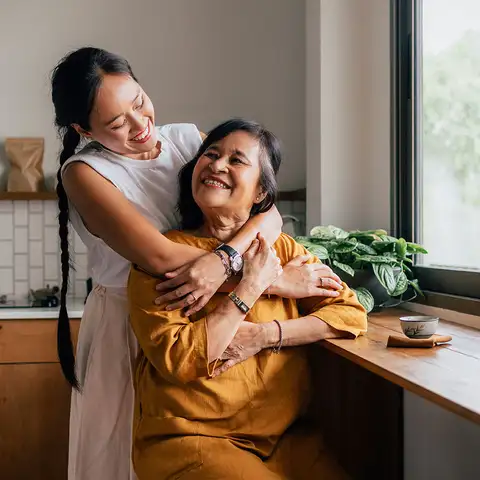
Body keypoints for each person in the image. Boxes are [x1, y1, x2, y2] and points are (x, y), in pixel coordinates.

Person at [51, 48, 344, 480]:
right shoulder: (84, 172)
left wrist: (226, 260)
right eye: (117, 123)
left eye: (138, 101)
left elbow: (268, 211)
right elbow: (158, 257)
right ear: (83, 129)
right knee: (124, 458)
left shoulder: (188, 139)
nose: (140, 124)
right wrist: (270, 281)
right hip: (133, 323)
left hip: (208, 317)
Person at [128, 119, 368, 480]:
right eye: (210, 154)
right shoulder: (163, 258)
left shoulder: (281, 248)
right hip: (191, 439)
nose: (217, 164)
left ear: (260, 193)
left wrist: (266, 335)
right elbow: (180, 358)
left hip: (286, 440)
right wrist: (250, 286)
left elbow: (349, 313)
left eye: (237, 160)